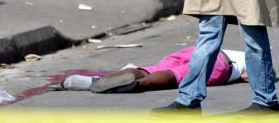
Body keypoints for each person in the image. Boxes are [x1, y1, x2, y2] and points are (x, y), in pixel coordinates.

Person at [53, 47, 247, 93]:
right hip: (222, 64)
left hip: (202, 47)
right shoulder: (259, 61)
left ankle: (93, 80)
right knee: (177, 76)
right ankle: (136, 85)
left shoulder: (245, 51)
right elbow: (250, 75)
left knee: (152, 69)